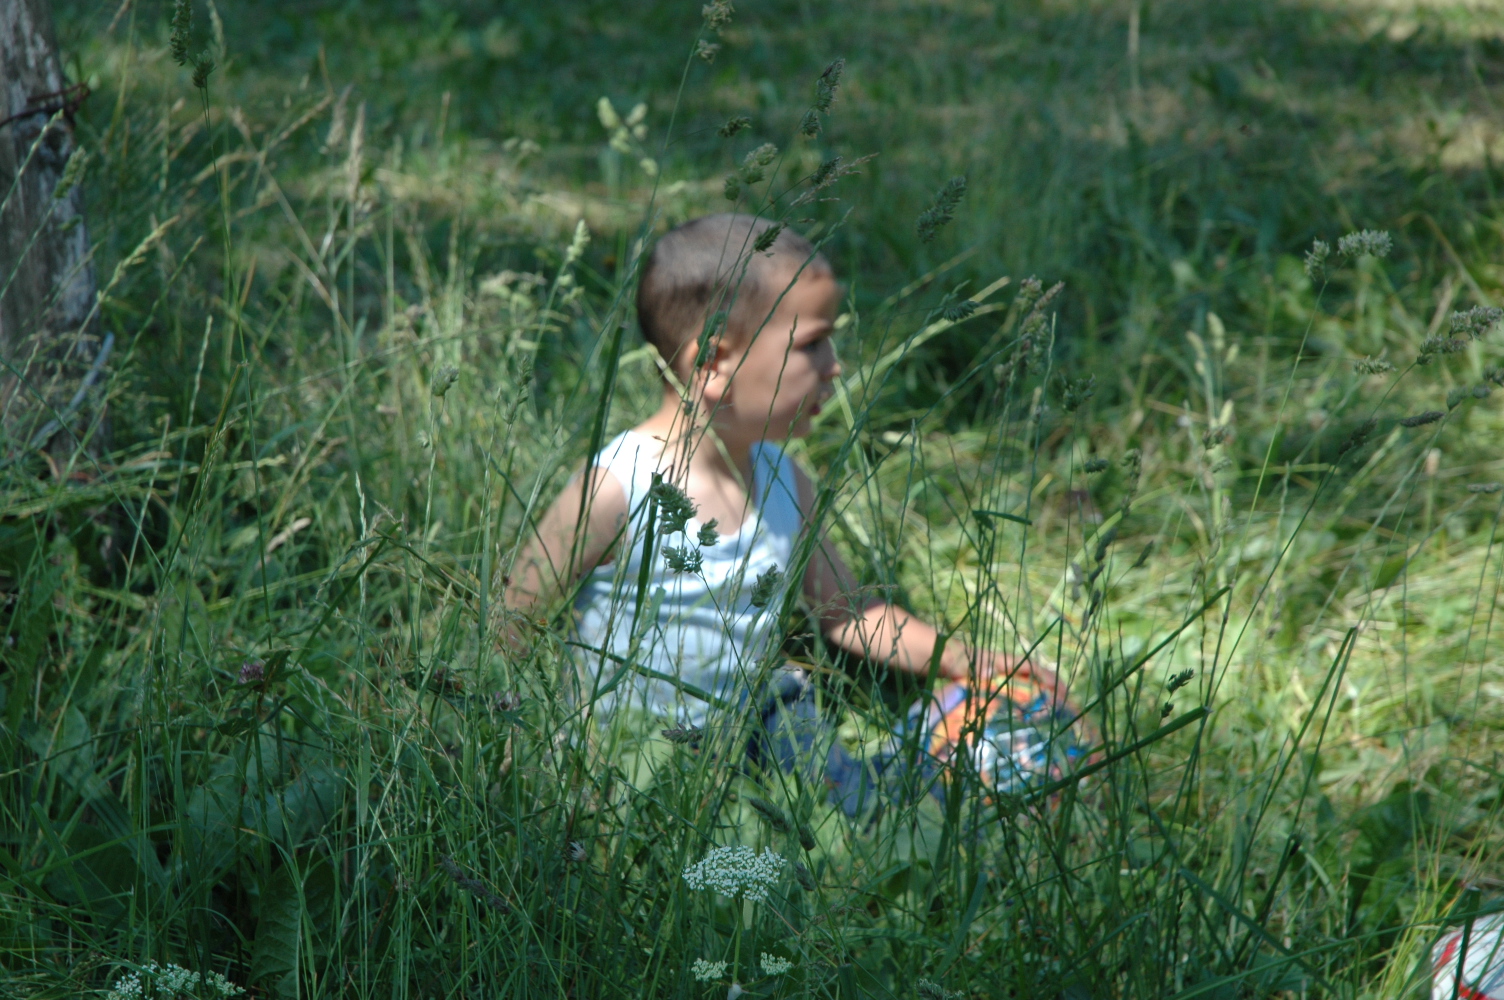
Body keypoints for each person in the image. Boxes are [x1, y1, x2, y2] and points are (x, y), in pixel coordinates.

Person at [504, 213, 1072, 803]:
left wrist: (963, 659)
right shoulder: (615, 487)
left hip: (756, 729)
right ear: (714, 362)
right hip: (632, 755)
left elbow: (848, 614)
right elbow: (511, 626)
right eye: (812, 343)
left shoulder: (783, 479)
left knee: (861, 782)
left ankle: (906, 803)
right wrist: (526, 755)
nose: (836, 365)